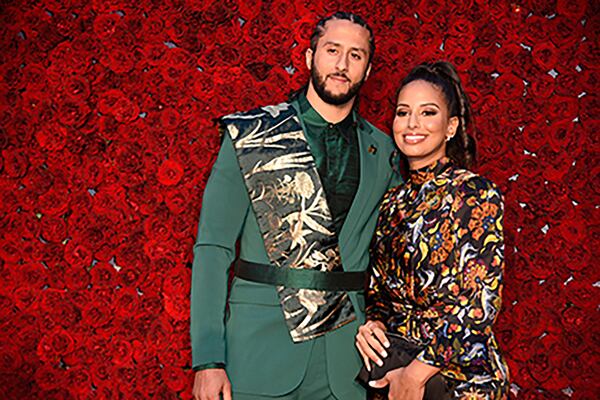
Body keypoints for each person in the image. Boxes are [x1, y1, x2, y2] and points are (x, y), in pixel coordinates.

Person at [191, 12, 401, 400]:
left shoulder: (385, 151)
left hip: (346, 357)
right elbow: (213, 247)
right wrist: (208, 360)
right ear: (309, 58)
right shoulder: (254, 134)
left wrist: (387, 326)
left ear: (368, 71)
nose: (341, 64)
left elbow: (394, 255)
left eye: (355, 56)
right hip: (258, 350)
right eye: (332, 50)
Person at [355, 61, 510, 400]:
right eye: (402, 112)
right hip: (394, 375)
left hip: (461, 381)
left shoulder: (474, 193)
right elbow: (379, 293)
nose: (412, 124)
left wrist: (416, 375)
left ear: (451, 126)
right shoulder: (392, 202)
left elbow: (477, 305)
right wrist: (373, 326)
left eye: (427, 113)